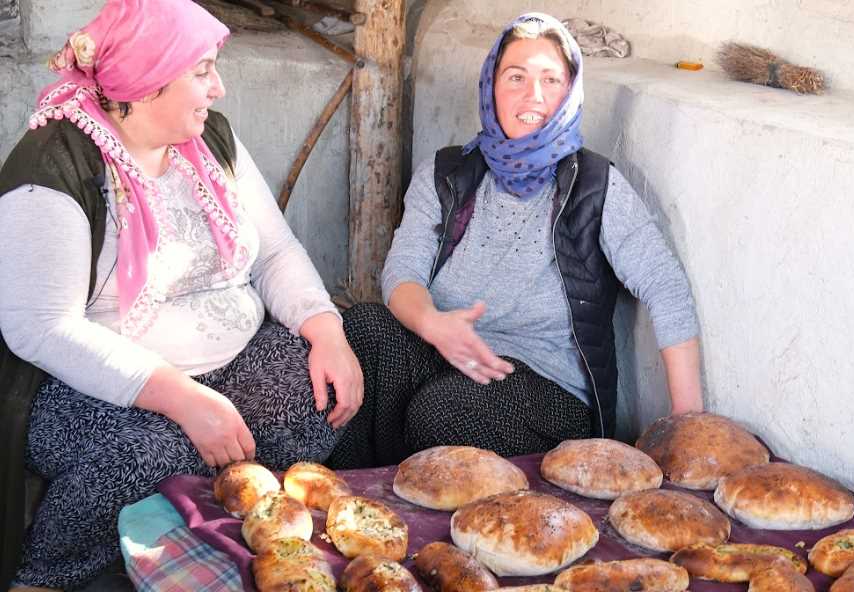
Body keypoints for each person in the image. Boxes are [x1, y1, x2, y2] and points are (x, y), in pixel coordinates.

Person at [0, 0, 363, 588]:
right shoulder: (57, 162)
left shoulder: (209, 140)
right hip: (100, 389)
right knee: (151, 454)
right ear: (147, 79)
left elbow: (275, 252)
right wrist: (180, 398)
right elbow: (39, 325)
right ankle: (47, 574)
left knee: (321, 390)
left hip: (229, 362)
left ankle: (213, 537)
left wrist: (326, 329)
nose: (217, 88)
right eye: (202, 70)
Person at [330, 13, 702, 469]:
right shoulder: (447, 173)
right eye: (517, 77)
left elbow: (665, 286)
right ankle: (358, 499)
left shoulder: (594, 186)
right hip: (445, 351)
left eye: (552, 79)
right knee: (365, 329)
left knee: (443, 412)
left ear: (570, 91)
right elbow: (402, 271)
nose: (535, 96)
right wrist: (433, 324)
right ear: (490, 86)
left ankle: (419, 506)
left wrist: (689, 429)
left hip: (544, 386)